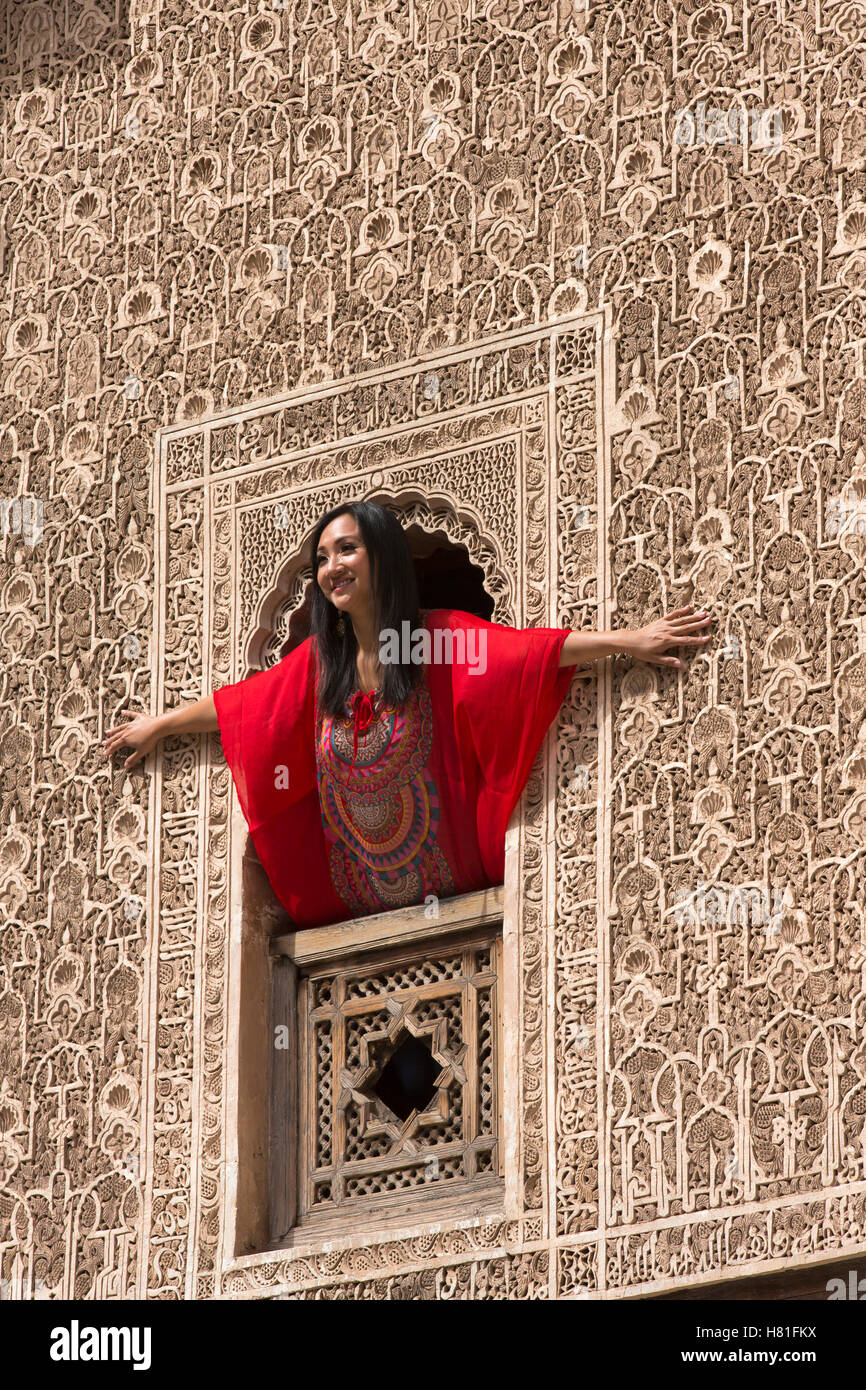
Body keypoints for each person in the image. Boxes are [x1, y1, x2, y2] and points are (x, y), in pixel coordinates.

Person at [102, 501, 713, 927]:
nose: (331, 567)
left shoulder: (426, 642)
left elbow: (521, 653)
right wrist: (160, 724)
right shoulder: (322, 666)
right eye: (321, 558)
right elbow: (246, 706)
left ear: (383, 559)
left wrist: (628, 640)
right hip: (357, 915)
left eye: (347, 549)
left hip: (456, 901)